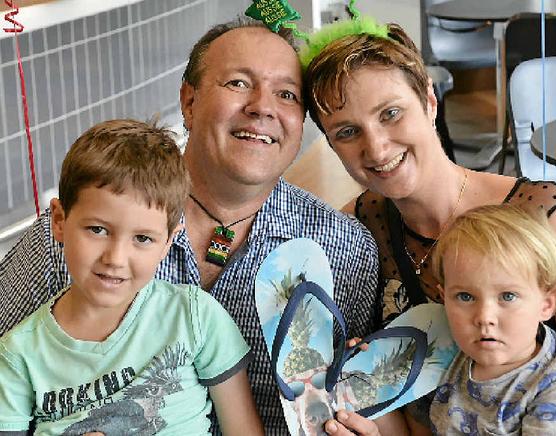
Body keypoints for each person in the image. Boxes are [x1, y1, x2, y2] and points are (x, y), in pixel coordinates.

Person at [0, 17, 380, 435]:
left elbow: (357, 397)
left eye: (286, 94)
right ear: (189, 101)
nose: (262, 106)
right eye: (237, 83)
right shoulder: (74, 231)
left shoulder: (344, 249)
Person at [300, 18, 556, 435]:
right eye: (347, 132)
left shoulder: (541, 213)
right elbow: (386, 404)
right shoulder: (354, 234)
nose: (376, 146)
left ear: (429, 100)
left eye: (391, 113)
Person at [0, 119, 262, 435]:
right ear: (59, 220)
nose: (115, 259)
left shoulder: (195, 317)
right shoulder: (18, 356)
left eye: (142, 238)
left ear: (168, 242)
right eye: (97, 230)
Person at [426, 204, 556, 434]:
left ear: (547, 304)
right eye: (465, 296)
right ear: (443, 298)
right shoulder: (441, 351)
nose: (485, 318)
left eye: (508, 296)